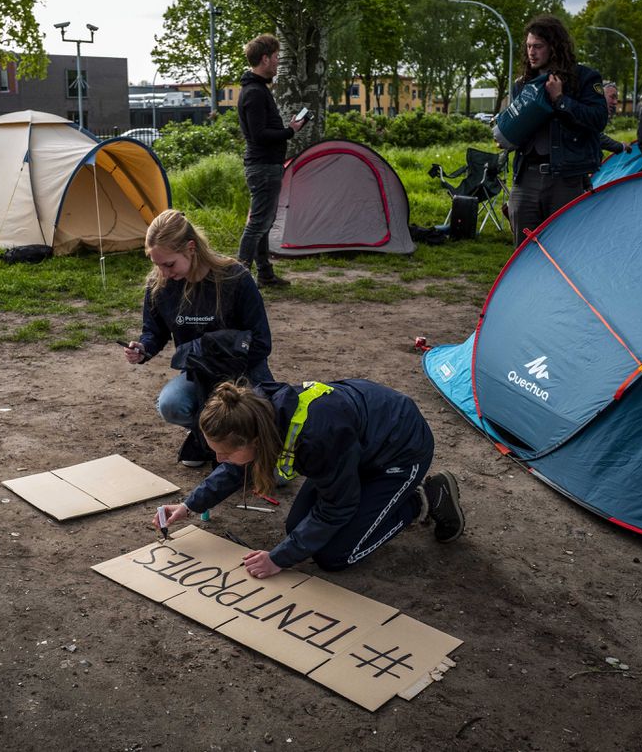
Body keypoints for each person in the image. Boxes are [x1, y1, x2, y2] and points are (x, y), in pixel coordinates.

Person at [154, 380, 464, 577]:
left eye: (224, 454)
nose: (218, 461)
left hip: (398, 453)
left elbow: (337, 508)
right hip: (352, 450)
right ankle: (389, 498)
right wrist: (190, 505)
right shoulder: (255, 416)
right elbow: (237, 465)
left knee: (335, 555)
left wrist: (279, 559)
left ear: (255, 442)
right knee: (296, 530)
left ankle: (420, 500)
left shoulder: (317, 440)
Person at [122, 209, 272, 467]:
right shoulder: (160, 285)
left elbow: (261, 341)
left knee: (276, 475)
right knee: (171, 404)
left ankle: (247, 446)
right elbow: (154, 330)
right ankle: (209, 440)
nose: (164, 272)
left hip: (242, 371)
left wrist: (217, 353)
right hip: (198, 374)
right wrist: (143, 347)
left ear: (191, 247)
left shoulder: (235, 278)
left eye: (169, 264)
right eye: (157, 264)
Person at [506, 15, 609, 248]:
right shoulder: (522, 84)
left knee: (564, 249)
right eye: (529, 46)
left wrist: (561, 99)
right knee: (523, 252)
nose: (532, 52)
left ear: (554, 47)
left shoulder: (584, 78)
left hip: (566, 179)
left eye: (538, 47)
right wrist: (507, 136)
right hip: (526, 177)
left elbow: (598, 119)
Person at [236, 33, 304, 288]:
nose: (278, 62)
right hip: (263, 167)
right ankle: (238, 280)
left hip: (266, 166)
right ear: (264, 59)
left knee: (263, 223)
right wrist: (290, 131)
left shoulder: (257, 89)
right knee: (257, 225)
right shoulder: (254, 93)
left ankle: (264, 274)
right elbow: (259, 135)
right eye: (276, 57)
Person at [599, 81, 628, 155]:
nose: (615, 102)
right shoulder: (587, 112)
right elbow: (597, 138)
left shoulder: (600, 116)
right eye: (612, 97)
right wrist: (622, 146)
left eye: (616, 99)